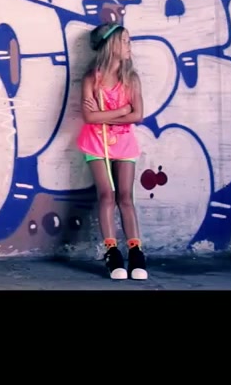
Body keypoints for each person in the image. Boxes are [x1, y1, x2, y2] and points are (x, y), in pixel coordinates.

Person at [77, 21, 147, 280]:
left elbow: (138, 115)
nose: (130, 46)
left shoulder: (131, 79)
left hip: (125, 143)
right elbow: (89, 117)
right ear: (111, 45)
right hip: (96, 143)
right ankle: (112, 252)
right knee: (107, 194)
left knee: (126, 197)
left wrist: (104, 114)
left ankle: (136, 252)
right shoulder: (91, 79)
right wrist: (121, 111)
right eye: (125, 41)